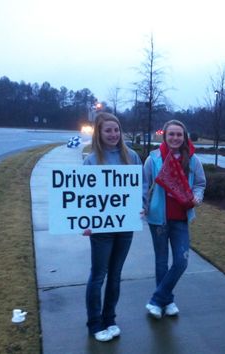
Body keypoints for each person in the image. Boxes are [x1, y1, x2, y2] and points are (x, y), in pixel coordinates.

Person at [82, 112, 142, 342]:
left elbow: (142, 185)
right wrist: (84, 220)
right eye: (108, 130)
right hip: (101, 229)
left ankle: (110, 319)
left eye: (116, 130)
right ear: (99, 132)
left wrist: (142, 206)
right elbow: (83, 196)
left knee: (115, 275)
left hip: (125, 226)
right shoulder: (91, 161)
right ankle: (94, 323)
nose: (113, 134)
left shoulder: (132, 156)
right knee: (98, 275)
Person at [143, 120, 206, 319]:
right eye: (172, 134)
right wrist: (143, 206)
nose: (175, 138)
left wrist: (198, 196)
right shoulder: (153, 158)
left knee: (181, 261)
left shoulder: (193, 160)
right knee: (161, 262)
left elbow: (200, 183)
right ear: (165, 135)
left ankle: (157, 299)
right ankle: (167, 302)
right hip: (158, 218)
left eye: (179, 134)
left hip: (181, 217)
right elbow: (144, 186)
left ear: (184, 136)